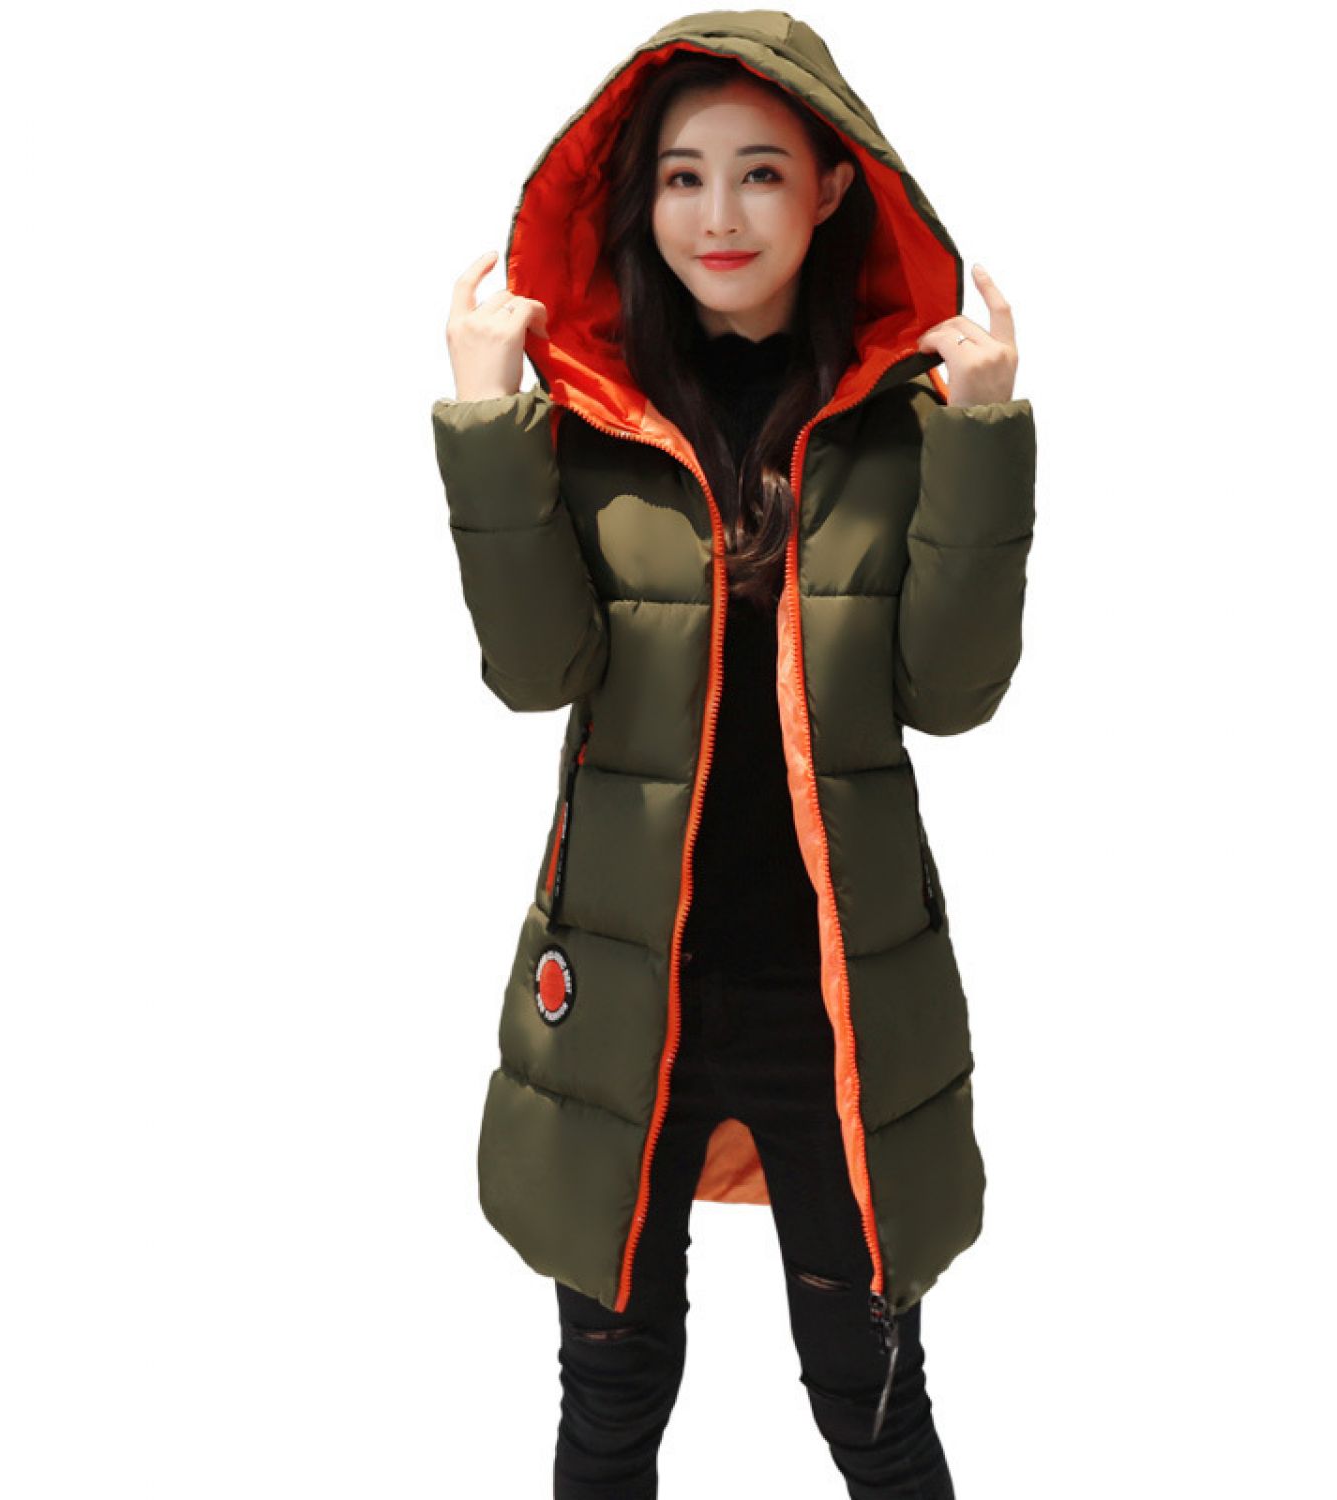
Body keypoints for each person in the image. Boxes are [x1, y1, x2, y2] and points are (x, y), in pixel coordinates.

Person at [429, 13, 1037, 1498]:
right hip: (627, 984)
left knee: (872, 1404)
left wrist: (983, 439)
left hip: (837, 995)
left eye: (761, 172)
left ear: (831, 189)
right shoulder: (586, 425)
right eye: (682, 175)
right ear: (639, 199)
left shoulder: (904, 429)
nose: (720, 214)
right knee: (612, 1394)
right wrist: (487, 423)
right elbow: (535, 675)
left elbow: (951, 694)